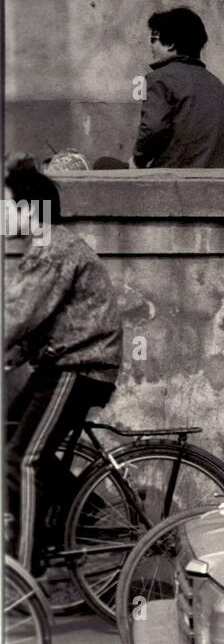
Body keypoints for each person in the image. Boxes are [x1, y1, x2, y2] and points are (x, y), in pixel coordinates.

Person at [4, 158, 122, 571]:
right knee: (11, 436)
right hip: (64, 363)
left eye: (7, 204)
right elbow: (35, 323)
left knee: (21, 459)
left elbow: (18, 316)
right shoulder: (47, 247)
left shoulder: (53, 249)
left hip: (79, 367)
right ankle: (82, 518)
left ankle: (21, 570)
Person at [131, 6, 224, 169]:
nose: (151, 46)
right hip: (221, 181)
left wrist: (137, 160)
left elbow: (153, 130)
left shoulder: (159, 79)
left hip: (179, 180)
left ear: (171, 45)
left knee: (104, 164)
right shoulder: (216, 84)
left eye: (154, 39)